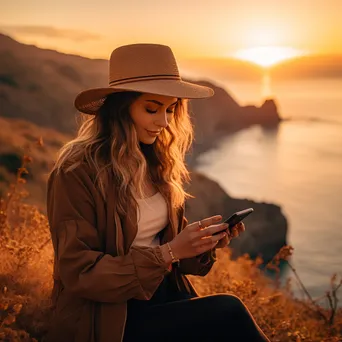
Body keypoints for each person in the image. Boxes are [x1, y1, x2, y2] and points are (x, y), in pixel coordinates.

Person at [45, 43, 270, 342]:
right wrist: (171, 251)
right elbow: (80, 274)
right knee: (229, 311)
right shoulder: (77, 172)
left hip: (163, 300)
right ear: (120, 108)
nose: (163, 122)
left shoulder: (156, 163)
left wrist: (200, 246)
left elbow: (170, 258)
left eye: (170, 108)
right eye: (151, 108)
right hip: (109, 319)